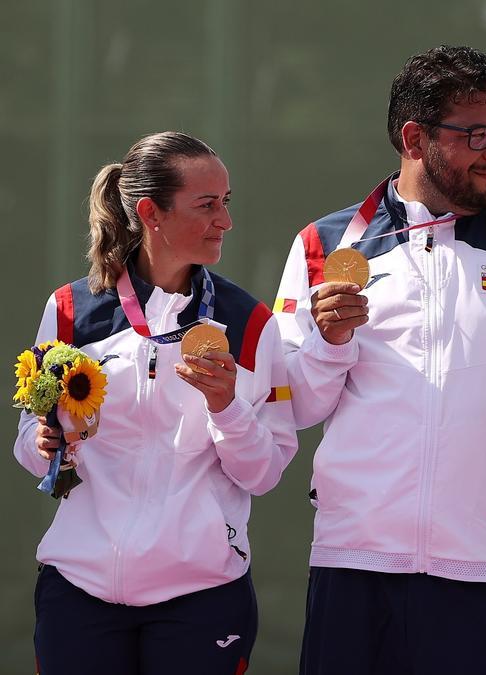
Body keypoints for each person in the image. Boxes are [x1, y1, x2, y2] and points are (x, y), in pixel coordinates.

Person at [273, 45, 486, 674]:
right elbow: (291, 406)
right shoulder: (325, 243)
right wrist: (328, 345)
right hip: (356, 562)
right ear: (415, 138)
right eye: (478, 135)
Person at [13, 131, 298, 674]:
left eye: (227, 203)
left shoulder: (251, 324)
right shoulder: (71, 309)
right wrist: (50, 440)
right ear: (152, 213)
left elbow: (263, 472)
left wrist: (227, 407)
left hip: (202, 597)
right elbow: (30, 444)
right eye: (207, 205)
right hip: (79, 588)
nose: (225, 220)